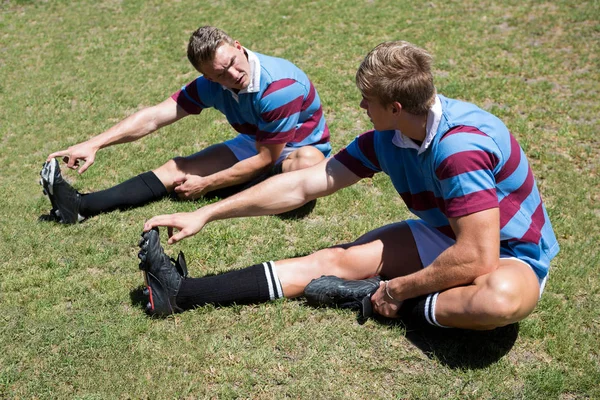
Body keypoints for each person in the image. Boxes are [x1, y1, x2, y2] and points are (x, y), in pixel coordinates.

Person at [138, 41, 559, 331]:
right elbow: (304, 185)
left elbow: (477, 257)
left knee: (499, 302)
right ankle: (181, 292)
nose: (360, 106)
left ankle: (382, 299)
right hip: (443, 235)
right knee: (333, 261)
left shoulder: (460, 149)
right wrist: (206, 212)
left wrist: (397, 289)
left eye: (367, 99)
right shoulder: (387, 138)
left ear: (395, 107)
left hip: (510, 255)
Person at [39, 26, 331, 224]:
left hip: (298, 149)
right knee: (175, 168)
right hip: (258, 142)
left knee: (305, 165)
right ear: (209, 77)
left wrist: (207, 183)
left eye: (232, 62)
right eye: (220, 74)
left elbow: (266, 159)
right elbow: (155, 116)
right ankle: (79, 206)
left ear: (239, 47)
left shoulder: (278, 87)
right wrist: (94, 143)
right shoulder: (211, 84)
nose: (233, 74)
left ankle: (249, 186)